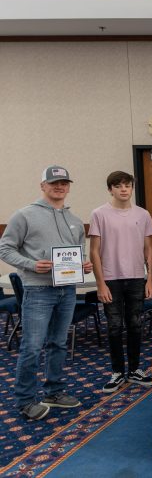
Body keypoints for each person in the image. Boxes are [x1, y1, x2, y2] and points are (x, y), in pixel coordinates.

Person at [0, 166, 92, 420]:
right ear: (43, 186)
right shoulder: (25, 215)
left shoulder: (74, 220)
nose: (59, 187)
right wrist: (31, 265)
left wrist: (83, 264)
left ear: (69, 186)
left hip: (67, 289)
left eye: (64, 183)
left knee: (58, 343)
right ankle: (25, 400)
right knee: (32, 346)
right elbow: (5, 249)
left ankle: (54, 390)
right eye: (54, 183)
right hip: (38, 290)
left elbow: (77, 253)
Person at [89, 171, 152, 393]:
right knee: (115, 326)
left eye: (127, 185)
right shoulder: (99, 214)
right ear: (110, 189)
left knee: (136, 325)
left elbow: (149, 249)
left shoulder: (143, 214)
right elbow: (94, 251)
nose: (124, 189)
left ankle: (135, 369)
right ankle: (117, 371)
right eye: (118, 186)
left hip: (137, 277)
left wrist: (150, 280)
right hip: (111, 279)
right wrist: (100, 284)